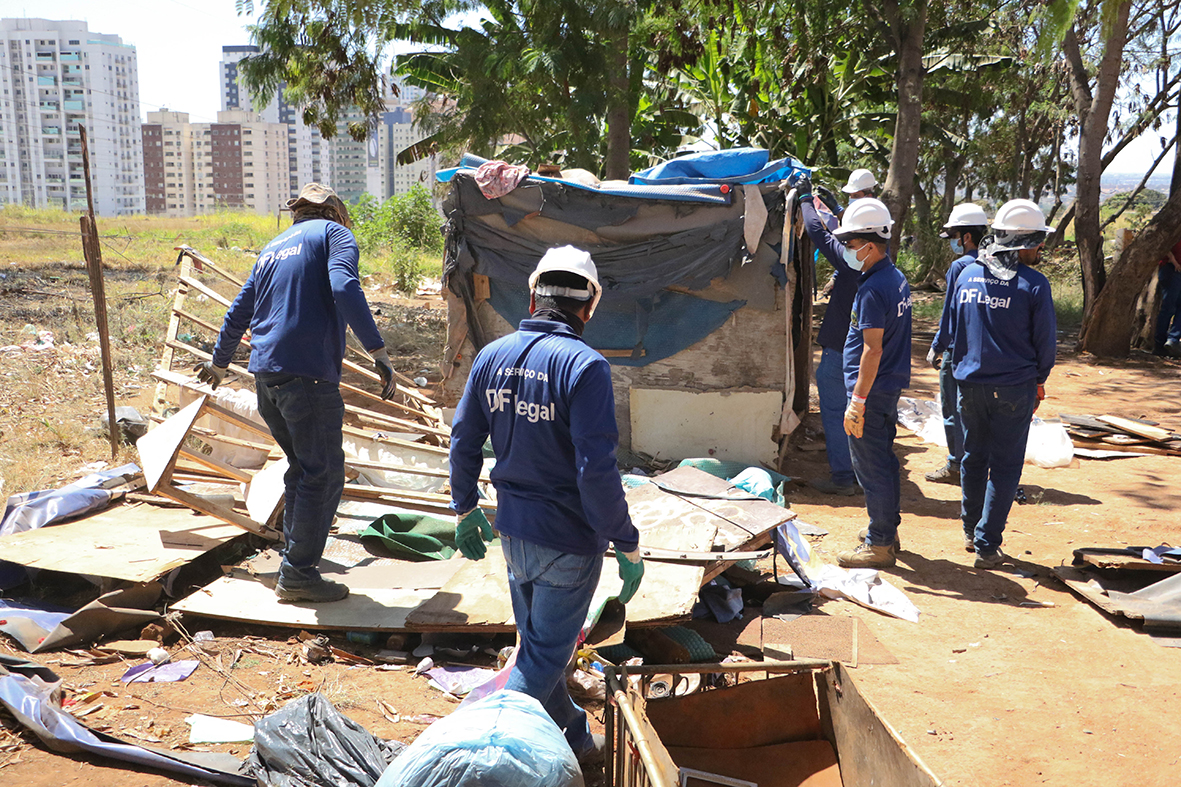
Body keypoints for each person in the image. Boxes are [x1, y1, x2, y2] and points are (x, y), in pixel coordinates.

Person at [448, 246, 643, 763]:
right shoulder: (586, 367)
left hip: (513, 535)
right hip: (568, 543)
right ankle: (478, 761)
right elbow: (595, 471)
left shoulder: (492, 356)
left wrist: (465, 507)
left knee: (541, 651)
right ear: (589, 306)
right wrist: (626, 542)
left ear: (533, 295)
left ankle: (576, 741)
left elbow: (464, 438)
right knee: (536, 667)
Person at [196, 183, 397, 603]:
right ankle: (299, 574)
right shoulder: (334, 235)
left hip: (267, 377)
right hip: (307, 376)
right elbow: (345, 288)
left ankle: (296, 561)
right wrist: (377, 350)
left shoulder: (272, 247)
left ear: (297, 212)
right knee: (322, 475)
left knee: (305, 471)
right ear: (335, 213)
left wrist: (219, 361)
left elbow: (239, 310)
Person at [947, 199, 1057, 569]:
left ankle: (969, 529)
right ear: (1022, 241)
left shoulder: (966, 275)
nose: (1042, 248)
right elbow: (1045, 345)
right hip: (1014, 388)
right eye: (1039, 241)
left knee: (973, 457)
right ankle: (986, 544)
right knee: (1006, 466)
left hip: (969, 385)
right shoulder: (1034, 286)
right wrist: (1038, 381)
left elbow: (953, 332)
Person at [831, 200, 913, 569]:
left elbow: (871, 349)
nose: (848, 250)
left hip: (871, 391)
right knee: (884, 461)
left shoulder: (872, 290)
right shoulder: (893, 278)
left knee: (870, 466)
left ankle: (880, 544)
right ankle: (885, 530)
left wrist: (857, 401)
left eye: (850, 243)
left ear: (869, 244)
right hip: (886, 387)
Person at [792, 173, 861, 495]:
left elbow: (818, 232)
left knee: (835, 411)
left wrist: (806, 199)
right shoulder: (878, 261)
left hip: (840, 346)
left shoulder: (851, 261)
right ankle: (861, 472)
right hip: (861, 347)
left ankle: (844, 477)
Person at [925, 203, 990, 485]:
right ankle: (978, 464)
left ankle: (956, 465)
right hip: (984, 351)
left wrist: (938, 345)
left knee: (953, 409)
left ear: (965, 237)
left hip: (958, 350)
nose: (953, 241)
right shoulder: (996, 263)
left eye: (954, 235)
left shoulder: (960, 266)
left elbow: (951, 311)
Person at [1153, 237, 1181, 357]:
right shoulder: (1175, 227)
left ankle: (1173, 341)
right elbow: (1164, 244)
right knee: (1168, 307)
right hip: (1171, 268)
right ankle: (1159, 344)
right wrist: (1173, 261)